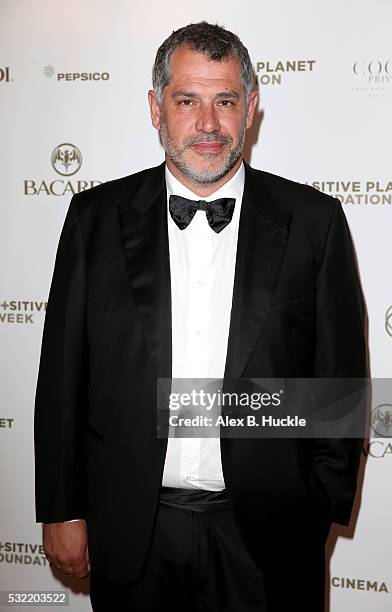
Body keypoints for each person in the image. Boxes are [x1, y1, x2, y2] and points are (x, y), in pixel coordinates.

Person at [34, 21, 368, 612]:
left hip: (268, 539)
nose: (208, 124)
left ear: (252, 108)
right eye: (187, 101)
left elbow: (341, 387)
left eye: (225, 101)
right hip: (132, 532)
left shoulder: (314, 221)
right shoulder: (94, 218)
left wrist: (317, 505)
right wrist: (61, 509)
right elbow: (63, 378)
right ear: (156, 109)